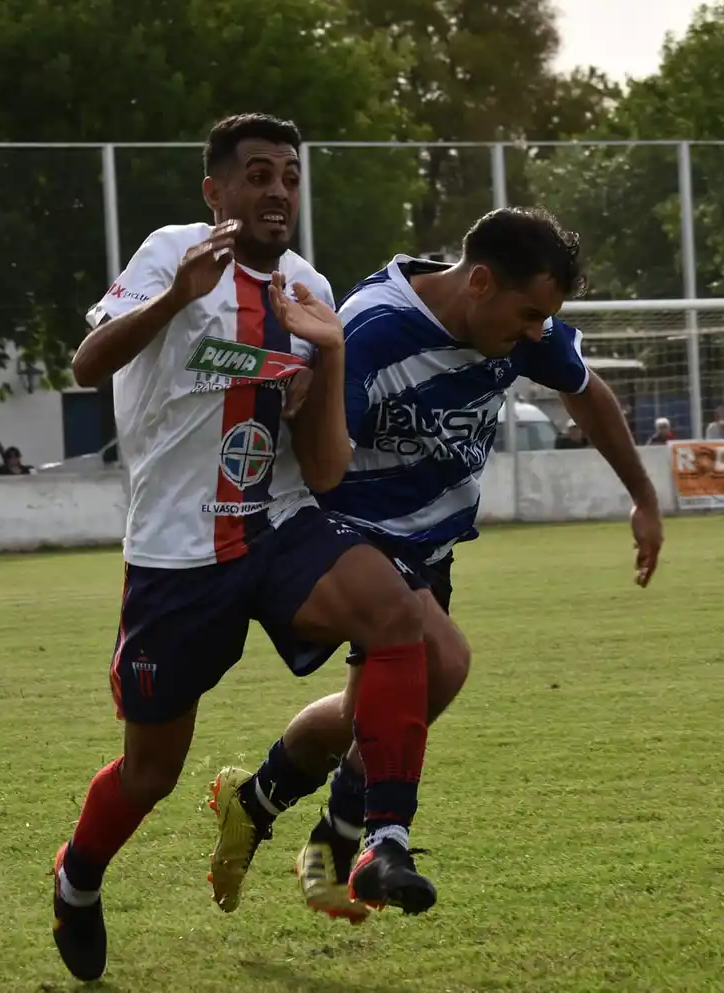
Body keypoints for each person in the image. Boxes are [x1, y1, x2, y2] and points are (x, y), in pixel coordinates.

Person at [50, 113, 437, 982]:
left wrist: (328, 357)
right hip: (179, 549)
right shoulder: (172, 253)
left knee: (396, 614)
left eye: (290, 176)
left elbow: (329, 469)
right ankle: (77, 878)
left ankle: (379, 839)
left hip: (278, 521)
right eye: (257, 174)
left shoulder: (309, 285)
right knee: (152, 772)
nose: (277, 191)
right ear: (215, 190)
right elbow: (87, 363)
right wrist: (177, 297)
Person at [206, 207, 664, 924]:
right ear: (479, 281)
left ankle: (258, 800)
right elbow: (319, 459)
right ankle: (367, 842)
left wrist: (644, 498)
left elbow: (587, 392)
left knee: (374, 717)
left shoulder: (519, 330)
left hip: (430, 544)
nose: (539, 331)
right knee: (442, 663)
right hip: (343, 530)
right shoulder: (373, 330)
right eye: (531, 312)